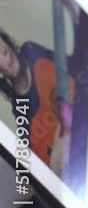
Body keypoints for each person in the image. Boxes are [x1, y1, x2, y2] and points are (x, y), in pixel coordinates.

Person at [0, 26, 75, 174]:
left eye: (3, 49)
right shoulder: (21, 109)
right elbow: (39, 164)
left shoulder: (32, 52)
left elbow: (70, 70)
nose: (3, 52)